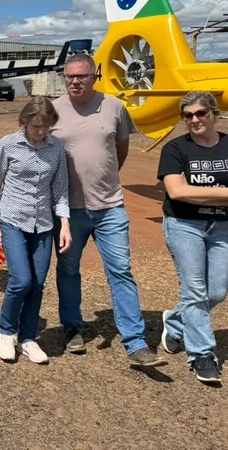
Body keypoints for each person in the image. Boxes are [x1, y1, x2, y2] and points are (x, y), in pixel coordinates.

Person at [50, 53, 166, 367]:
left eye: (81, 76)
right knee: (68, 270)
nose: (75, 82)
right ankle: (72, 327)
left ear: (94, 76)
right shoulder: (54, 110)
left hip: (110, 207)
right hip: (69, 210)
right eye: (69, 76)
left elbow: (121, 147)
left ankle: (135, 341)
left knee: (120, 271)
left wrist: (107, 176)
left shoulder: (114, 106)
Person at [157, 91, 228, 385]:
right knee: (195, 291)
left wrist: (200, 194)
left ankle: (174, 322)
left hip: (221, 227)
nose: (195, 120)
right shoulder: (175, 149)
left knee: (217, 292)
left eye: (201, 113)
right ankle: (201, 354)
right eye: (188, 115)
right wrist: (227, 194)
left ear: (214, 113)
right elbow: (177, 192)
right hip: (183, 224)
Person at [0, 97, 72, 364]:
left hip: (44, 224)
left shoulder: (56, 147)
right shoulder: (8, 144)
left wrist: (65, 224)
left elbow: (60, 189)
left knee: (37, 284)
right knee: (21, 280)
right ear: (24, 122)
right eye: (35, 126)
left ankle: (28, 338)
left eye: (46, 126)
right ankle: (6, 331)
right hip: (13, 221)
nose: (41, 132)